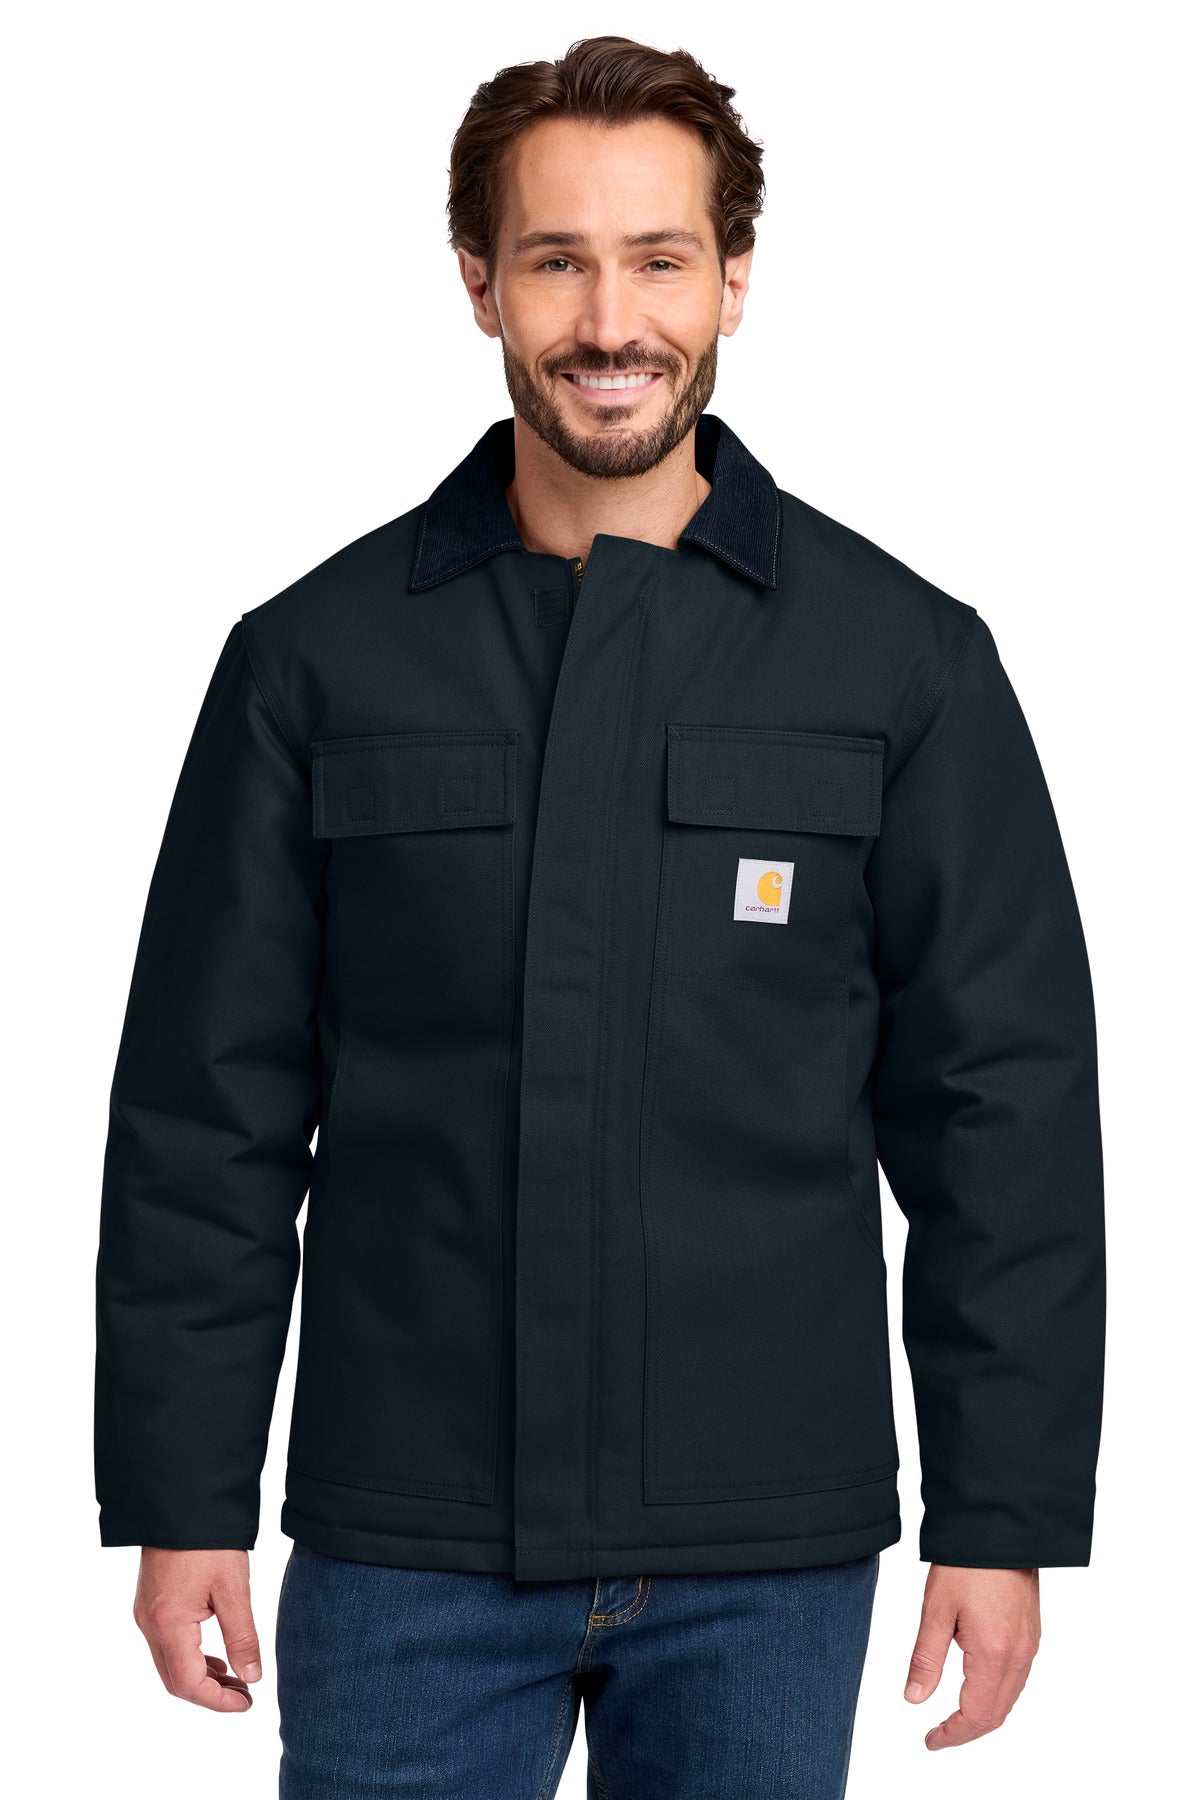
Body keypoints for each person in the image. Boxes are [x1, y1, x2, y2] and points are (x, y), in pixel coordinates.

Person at [93, 33, 1106, 1800]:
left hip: (767, 1553)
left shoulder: (904, 664)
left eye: (660, 259)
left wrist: (1001, 1515)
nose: (610, 319)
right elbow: (206, 1113)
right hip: (404, 1543)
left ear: (735, 281)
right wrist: (184, 1499)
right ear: (479, 282)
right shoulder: (312, 663)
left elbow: (1001, 1119)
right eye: (557, 260)